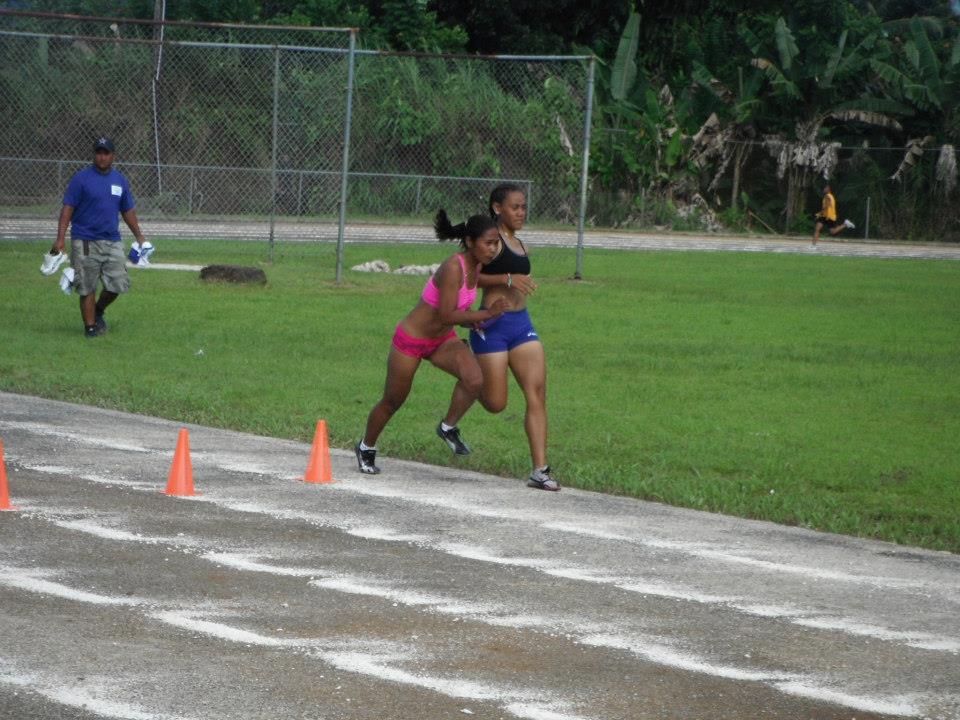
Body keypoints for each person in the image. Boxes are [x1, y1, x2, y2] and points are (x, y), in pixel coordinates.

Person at [355, 211, 509, 475]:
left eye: (496, 243)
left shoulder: (477, 266)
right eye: (489, 243)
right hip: (412, 340)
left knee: (474, 379)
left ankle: (448, 427)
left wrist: (474, 320)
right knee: (393, 401)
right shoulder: (453, 266)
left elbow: (459, 307)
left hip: (441, 339)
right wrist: (487, 314)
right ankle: (366, 446)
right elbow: (446, 314)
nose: (494, 249)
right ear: (470, 242)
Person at [469, 184, 558, 491]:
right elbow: (470, 276)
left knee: (537, 393)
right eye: (515, 207)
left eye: (524, 207)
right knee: (495, 404)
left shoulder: (519, 243)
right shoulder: (489, 242)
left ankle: (540, 470)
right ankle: (469, 378)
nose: (521, 212)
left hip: (522, 324)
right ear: (497, 208)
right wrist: (507, 278)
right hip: (492, 325)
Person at [53, 136, 149, 338]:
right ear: (94, 155)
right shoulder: (81, 179)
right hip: (85, 240)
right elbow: (67, 209)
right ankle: (90, 328)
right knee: (87, 285)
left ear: (113, 156)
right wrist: (60, 239)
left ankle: (98, 310)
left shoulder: (120, 180)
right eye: (99, 153)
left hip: (112, 240)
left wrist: (140, 237)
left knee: (118, 283)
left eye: (106, 153)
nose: (102, 157)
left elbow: (127, 210)